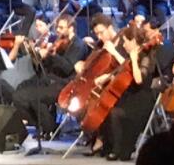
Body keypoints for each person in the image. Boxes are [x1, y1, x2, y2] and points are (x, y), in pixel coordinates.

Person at [11, 14, 87, 140]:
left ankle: (49, 128)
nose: (57, 30)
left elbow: (68, 68)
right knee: (18, 93)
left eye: (61, 28)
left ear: (71, 28)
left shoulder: (78, 45)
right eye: (57, 27)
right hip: (50, 78)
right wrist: (39, 57)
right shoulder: (59, 42)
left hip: (66, 84)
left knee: (35, 96)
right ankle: (40, 125)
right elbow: (45, 67)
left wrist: (53, 55)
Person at [93, 25, 158, 159]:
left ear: (133, 41)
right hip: (129, 98)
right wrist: (106, 77)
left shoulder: (145, 57)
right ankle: (112, 147)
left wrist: (134, 60)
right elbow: (122, 72)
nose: (123, 45)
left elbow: (138, 79)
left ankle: (119, 149)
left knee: (115, 113)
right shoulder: (130, 57)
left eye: (125, 41)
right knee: (108, 110)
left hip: (141, 102)